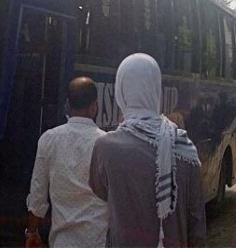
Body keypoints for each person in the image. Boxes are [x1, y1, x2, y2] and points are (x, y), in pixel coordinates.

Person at [89, 53, 206, 247]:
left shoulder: (105, 147)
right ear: (156, 89)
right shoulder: (184, 147)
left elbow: (100, 190)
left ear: (121, 91)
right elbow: (196, 221)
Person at [25, 77, 108, 247]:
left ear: (68, 105)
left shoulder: (49, 139)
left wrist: (32, 232)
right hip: (98, 241)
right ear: (94, 106)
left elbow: (38, 197)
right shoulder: (107, 144)